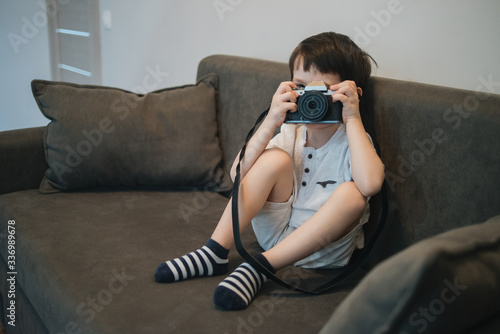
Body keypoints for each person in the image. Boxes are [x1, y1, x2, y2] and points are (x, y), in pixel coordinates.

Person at [154, 31, 385, 310]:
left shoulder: (354, 140)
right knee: (274, 158)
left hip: (322, 252)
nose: (312, 99)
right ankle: (214, 252)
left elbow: (371, 185)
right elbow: (236, 174)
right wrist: (272, 120)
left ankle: (261, 268)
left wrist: (352, 119)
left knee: (354, 194)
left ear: (351, 94)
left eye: (324, 89)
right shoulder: (291, 132)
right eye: (302, 86)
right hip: (271, 235)